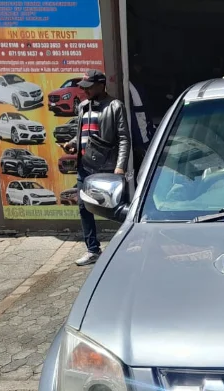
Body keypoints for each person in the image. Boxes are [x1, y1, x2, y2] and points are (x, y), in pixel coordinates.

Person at [62, 69, 131, 266]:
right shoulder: (83, 106)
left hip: (107, 168)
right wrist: (72, 143)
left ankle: (130, 246)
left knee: (116, 209)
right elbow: (83, 133)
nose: (86, 91)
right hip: (85, 167)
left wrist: (120, 167)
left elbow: (124, 139)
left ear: (101, 85)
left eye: (89, 87)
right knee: (84, 208)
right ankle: (93, 250)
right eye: (84, 88)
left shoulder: (115, 106)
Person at [129, 57, 157, 173]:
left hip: (144, 135)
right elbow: (139, 115)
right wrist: (142, 143)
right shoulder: (132, 86)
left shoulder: (136, 85)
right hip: (142, 139)